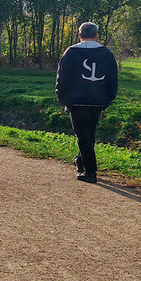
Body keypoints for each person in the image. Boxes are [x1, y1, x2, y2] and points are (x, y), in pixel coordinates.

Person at [56, 22, 118, 183]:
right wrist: (108, 98)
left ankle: (90, 172)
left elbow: (62, 77)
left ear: (79, 35)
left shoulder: (71, 52)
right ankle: (80, 161)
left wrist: (62, 97)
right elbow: (113, 79)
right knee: (88, 134)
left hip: (77, 101)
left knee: (83, 135)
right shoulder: (107, 54)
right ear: (96, 35)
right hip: (98, 100)